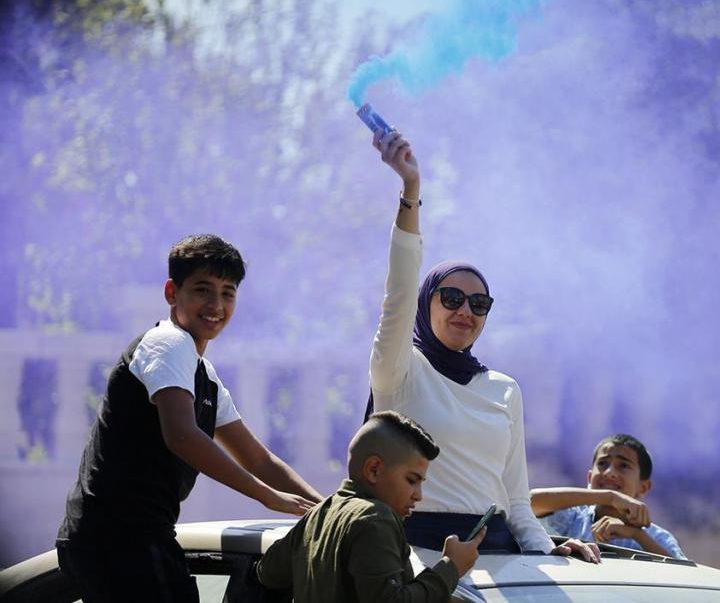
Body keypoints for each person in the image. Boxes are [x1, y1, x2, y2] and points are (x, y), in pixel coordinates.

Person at [365, 127, 598, 562]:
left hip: (499, 558)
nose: (465, 311)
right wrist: (411, 189)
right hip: (414, 557)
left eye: (479, 303)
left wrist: (547, 551)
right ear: (425, 303)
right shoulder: (399, 370)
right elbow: (398, 289)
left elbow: (516, 503)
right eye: (451, 298)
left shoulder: (505, 389)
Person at [56, 234, 324, 603]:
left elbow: (259, 459)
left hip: (134, 536)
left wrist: (329, 509)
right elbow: (182, 436)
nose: (216, 305)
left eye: (228, 293)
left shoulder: (203, 375)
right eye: (202, 290)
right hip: (119, 537)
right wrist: (269, 497)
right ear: (172, 292)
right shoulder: (168, 343)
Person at [257, 410, 483, 602]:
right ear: (374, 469)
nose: (418, 496)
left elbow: (267, 572)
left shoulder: (318, 513)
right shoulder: (375, 517)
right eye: (411, 480)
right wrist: (450, 568)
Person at [530, 434, 686, 559]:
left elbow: (684, 576)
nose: (610, 473)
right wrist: (610, 497)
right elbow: (529, 503)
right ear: (589, 478)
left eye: (624, 465)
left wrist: (636, 534)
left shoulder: (657, 538)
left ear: (643, 487)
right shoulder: (573, 518)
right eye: (603, 464)